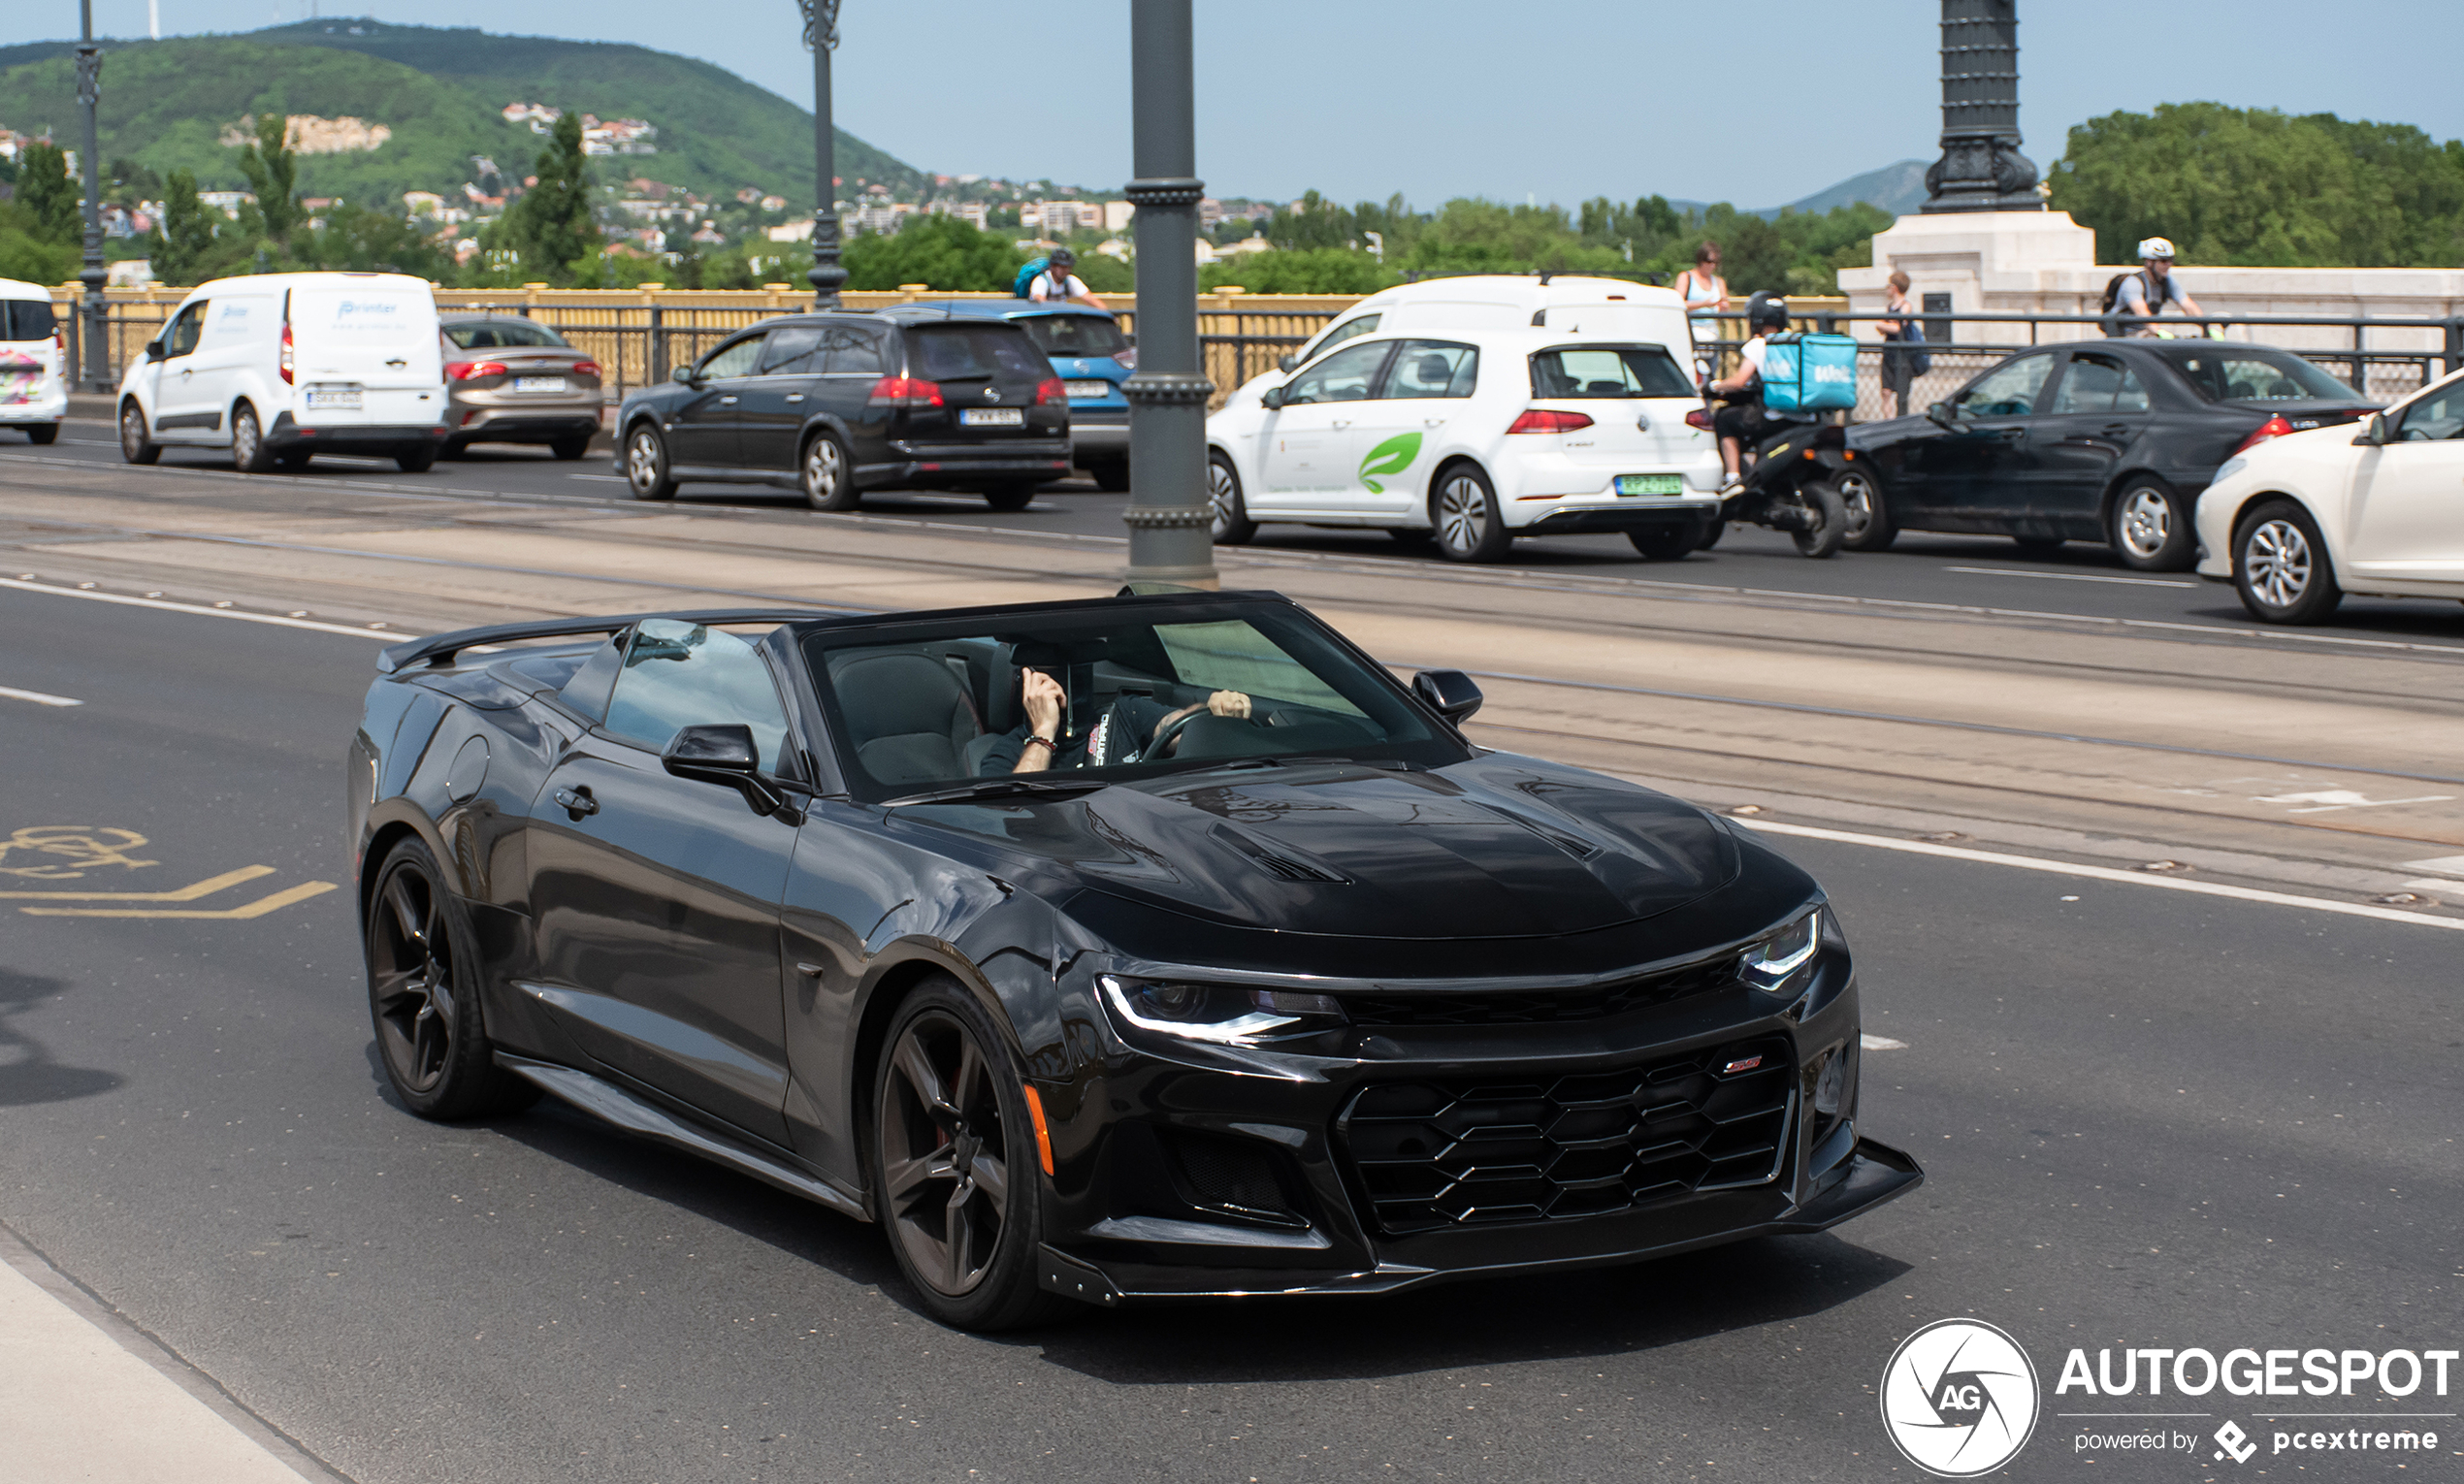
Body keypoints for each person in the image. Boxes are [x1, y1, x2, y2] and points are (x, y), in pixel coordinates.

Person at [986, 668, 1253, 775]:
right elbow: (1014, 813)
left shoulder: (1123, 713)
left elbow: (1178, 725)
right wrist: (1044, 732)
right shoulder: (1005, 755)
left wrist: (1215, 707)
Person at [1705, 293, 1790, 492]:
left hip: (1773, 416)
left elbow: (1739, 382)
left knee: (1724, 418)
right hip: (1803, 415)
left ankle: (1733, 477)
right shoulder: (1793, 341)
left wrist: (1714, 386)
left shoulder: (1758, 344)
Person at [2111, 238, 2203, 336]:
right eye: (2163, 261)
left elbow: (2188, 305)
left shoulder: (2167, 281)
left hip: (2145, 334)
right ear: (2149, 262)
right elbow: (2142, 314)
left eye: (2171, 260)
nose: (2168, 264)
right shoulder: (2133, 283)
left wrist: (2206, 327)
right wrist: (2160, 333)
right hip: (2123, 336)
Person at [1677, 242, 1727, 383]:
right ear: (1701, 260)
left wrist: (1723, 307)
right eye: (1709, 261)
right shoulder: (1686, 277)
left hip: (1712, 334)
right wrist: (1704, 304)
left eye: (1716, 262)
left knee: (1710, 376)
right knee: (1693, 375)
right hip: (1691, 333)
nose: (1712, 266)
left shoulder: (1719, 282)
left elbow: (1724, 305)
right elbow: (1678, 303)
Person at [1874, 269, 1917, 420]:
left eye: (1889, 285)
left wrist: (1886, 324)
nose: (1887, 289)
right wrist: (1887, 324)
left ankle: (1900, 422)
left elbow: (1897, 328)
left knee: (1901, 395)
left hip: (1902, 355)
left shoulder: (1906, 306)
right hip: (1889, 352)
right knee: (1886, 391)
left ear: (1895, 287)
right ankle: (1889, 421)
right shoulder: (1889, 307)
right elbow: (1882, 328)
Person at [1026, 247, 1107, 311]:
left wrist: (1108, 314)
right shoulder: (1041, 281)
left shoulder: (1070, 281)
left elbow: (1090, 298)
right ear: (1052, 267)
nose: (1066, 270)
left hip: (1058, 318)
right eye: (1062, 267)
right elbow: (1040, 300)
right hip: (1038, 320)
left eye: (1068, 267)